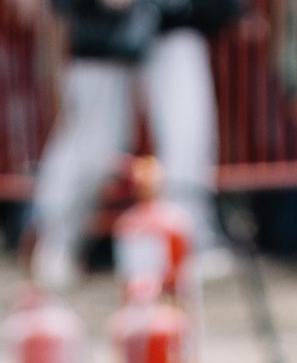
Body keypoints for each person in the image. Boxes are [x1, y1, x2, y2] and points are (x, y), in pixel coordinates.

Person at [25, 0, 240, 294]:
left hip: (175, 22)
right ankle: (57, 244)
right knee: (91, 144)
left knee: (187, 135)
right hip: (99, 32)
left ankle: (188, 244)